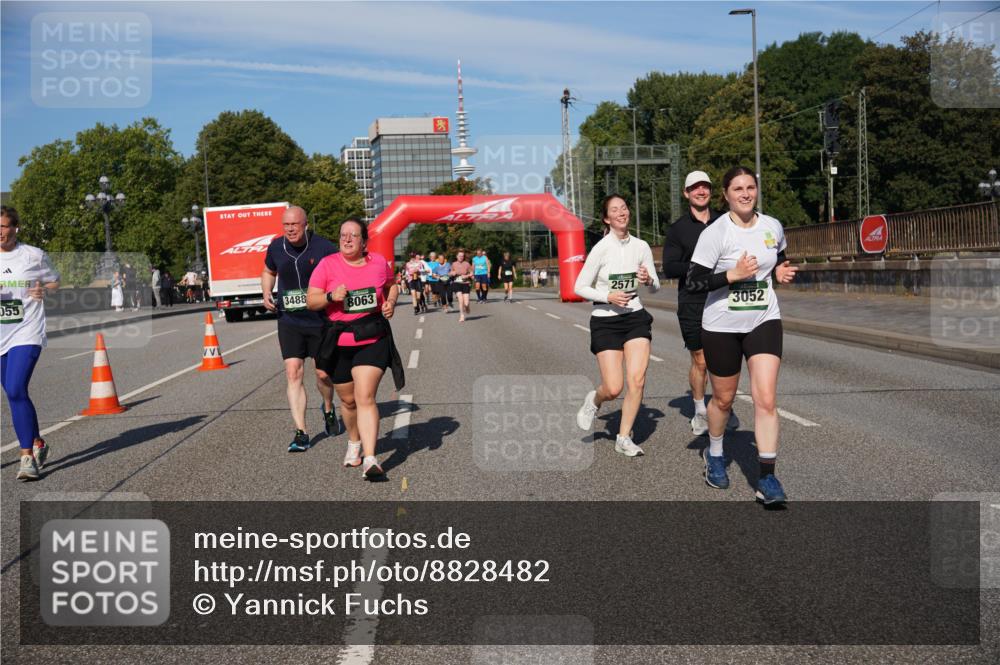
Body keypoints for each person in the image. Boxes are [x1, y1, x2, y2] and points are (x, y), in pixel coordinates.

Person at [686, 166, 798, 505]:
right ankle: (716, 453)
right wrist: (731, 275)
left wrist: (779, 270)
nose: (746, 193)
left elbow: (778, 255)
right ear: (726, 195)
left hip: (764, 318)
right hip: (721, 325)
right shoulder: (716, 233)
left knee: (765, 399)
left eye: (751, 187)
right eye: (738, 189)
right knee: (723, 399)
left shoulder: (772, 226)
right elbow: (693, 282)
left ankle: (767, 478)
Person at [307, 217, 404, 479]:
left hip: (372, 337)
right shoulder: (328, 265)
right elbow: (311, 300)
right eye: (342, 235)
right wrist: (330, 297)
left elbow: (391, 284)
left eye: (353, 235)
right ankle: (354, 441)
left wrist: (391, 302)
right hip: (338, 341)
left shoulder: (378, 263)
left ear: (364, 241)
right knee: (348, 402)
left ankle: (370, 459)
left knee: (365, 397)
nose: (347, 240)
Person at [574, 195, 660, 457]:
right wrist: (607, 296)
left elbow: (655, 287)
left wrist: (647, 280)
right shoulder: (601, 248)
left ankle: (623, 437)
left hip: (634, 316)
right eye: (615, 210)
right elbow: (579, 287)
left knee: (637, 379)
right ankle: (595, 400)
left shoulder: (641, 246)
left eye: (624, 208)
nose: (621, 212)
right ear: (607, 219)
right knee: (613, 387)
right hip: (606, 320)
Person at [662, 171, 739, 436]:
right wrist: (700, 266)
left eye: (705, 187)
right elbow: (670, 267)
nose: (701, 191)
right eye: (695, 188)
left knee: (724, 359)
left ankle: (723, 405)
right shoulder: (678, 229)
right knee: (701, 361)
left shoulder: (726, 221)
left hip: (724, 298)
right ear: (686, 194)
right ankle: (699, 410)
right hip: (693, 301)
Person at [261, 205, 340, 452]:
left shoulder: (324, 247)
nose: (290, 229)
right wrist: (266, 291)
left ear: (306, 225)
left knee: (323, 375)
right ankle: (301, 432)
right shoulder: (275, 247)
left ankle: (328, 407)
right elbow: (268, 271)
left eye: (295, 225)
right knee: (293, 372)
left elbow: (338, 274)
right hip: (290, 320)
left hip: (320, 319)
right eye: (286, 225)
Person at [1, 205, 60, 481]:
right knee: (14, 394)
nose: (0, 233)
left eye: (4, 227)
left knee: (15, 387)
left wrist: (42, 289)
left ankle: (27, 458)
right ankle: (37, 441)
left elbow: (54, 282)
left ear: (15, 228)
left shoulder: (33, 255)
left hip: (27, 329)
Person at [449, 249, 474, 322]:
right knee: (460, 300)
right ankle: (462, 315)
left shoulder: (467, 264)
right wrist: (452, 273)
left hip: (466, 283)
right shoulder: (453, 264)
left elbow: (472, 273)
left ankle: (467, 307)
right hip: (456, 283)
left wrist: (467, 276)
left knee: (466, 302)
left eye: (462, 256)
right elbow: (450, 273)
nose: (461, 257)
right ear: (456, 256)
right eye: (459, 256)